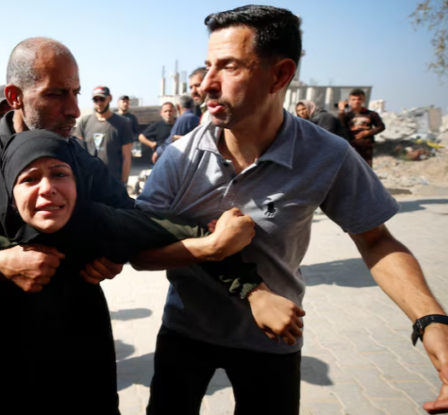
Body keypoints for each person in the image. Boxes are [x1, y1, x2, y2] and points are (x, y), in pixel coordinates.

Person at [134, 5, 448, 415]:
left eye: (229, 67)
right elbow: (139, 252)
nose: (207, 84)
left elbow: (377, 241)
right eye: (208, 66)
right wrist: (212, 248)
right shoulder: (179, 158)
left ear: (280, 75)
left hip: (274, 340)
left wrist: (431, 321)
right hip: (185, 332)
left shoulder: (327, 155)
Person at [0, 130, 298, 414]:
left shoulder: (94, 220)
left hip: (82, 364)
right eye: (29, 178)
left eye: (59, 173)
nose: (47, 188)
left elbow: (185, 233)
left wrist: (255, 291)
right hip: (0, 372)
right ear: (9, 190)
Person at [0, 38, 168, 414]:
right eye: (56, 94)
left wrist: (113, 254)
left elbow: (129, 218)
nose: (73, 110)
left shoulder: (80, 159)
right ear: (15, 96)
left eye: (75, 93)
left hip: (79, 344)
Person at [75, 86, 135, 183]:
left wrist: (123, 183)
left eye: (102, 99)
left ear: (110, 98)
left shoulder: (122, 123)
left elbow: (126, 157)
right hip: (89, 181)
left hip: (112, 181)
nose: (99, 103)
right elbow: (78, 153)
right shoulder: (84, 122)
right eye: (96, 99)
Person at [339, 88, 386, 167]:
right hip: (352, 146)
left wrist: (369, 132)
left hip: (366, 147)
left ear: (363, 100)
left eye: (359, 99)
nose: (356, 102)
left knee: (365, 168)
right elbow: (341, 126)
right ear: (349, 101)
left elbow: (381, 126)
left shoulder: (371, 114)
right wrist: (341, 111)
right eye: (353, 99)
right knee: (351, 167)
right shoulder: (347, 115)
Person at [155, 95, 202, 162]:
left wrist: (158, 152)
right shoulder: (196, 117)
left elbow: (171, 140)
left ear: (178, 107)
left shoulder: (184, 119)